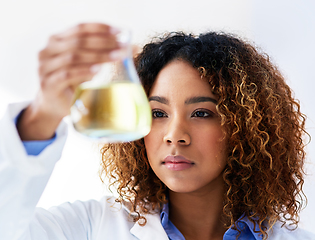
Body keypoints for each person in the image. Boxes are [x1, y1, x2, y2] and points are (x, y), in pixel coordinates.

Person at [0, 23, 314, 240]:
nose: (175, 135)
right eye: (158, 113)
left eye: (202, 113)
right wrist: (42, 116)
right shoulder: (89, 227)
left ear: (245, 126)